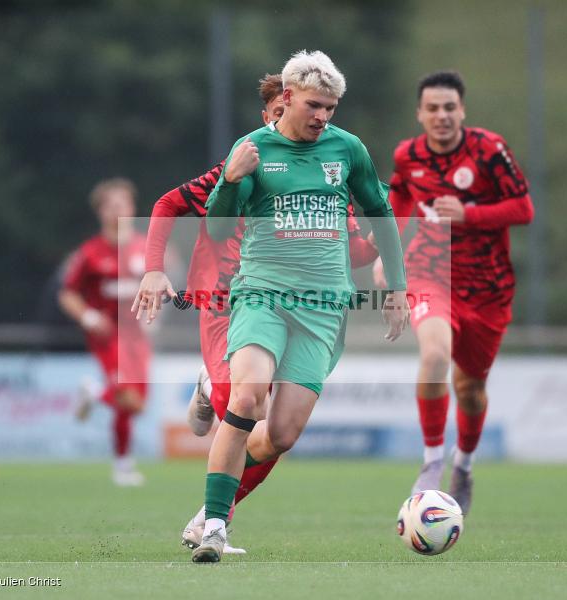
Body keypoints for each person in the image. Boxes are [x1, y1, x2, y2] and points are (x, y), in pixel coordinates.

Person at [176, 50, 408, 563]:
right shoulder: (253, 149)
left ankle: (205, 514)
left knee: (280, 434)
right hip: (261, 295)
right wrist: (230, 180)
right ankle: (216, 525)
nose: (323, 116)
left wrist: (396, 286)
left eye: (331, 106)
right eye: (314, 105)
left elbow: (382, 213)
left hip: (323, 308)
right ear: (286, 98)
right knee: (248, 397)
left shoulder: (347, 149)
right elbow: (215, 231)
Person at [375, 71, 533, 515]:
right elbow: (402, 201)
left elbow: (523, 208)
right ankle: (431, 463)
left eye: (449, 107)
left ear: (462, 110)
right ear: (420, 114)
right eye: (433, 108)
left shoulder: (489, 150)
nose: (441, 116)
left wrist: (470, 212)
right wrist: (390, 256)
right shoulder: (408, 155)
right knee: (434, 355)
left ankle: (463, 464)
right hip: (431, 274)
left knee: (470, 389)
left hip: (488, 289)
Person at [59, 178, 152, 486]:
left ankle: (122, 463)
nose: (118, 210)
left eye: (123, 204)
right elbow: (67, 294)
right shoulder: (90, 253)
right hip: (109, 335)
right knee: (127, 397)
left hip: (138, 336)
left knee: (135, 404)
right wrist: (87, 316)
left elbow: (160, 284)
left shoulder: (145, 247)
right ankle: (123, 464)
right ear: (100, 212)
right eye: (111, 205)